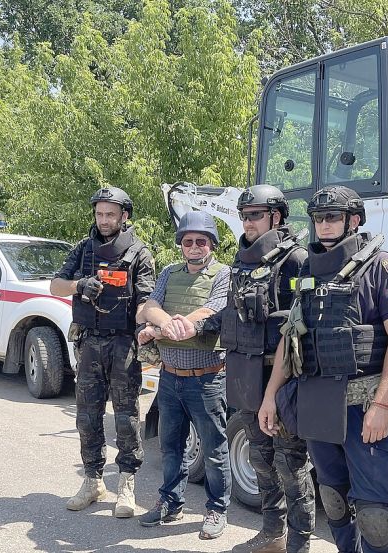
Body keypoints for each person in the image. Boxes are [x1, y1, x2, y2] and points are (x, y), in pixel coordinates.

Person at [259, 186, 388, 553]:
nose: (324, 225)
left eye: (332, 217)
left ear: (354, 220)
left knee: (375, 515)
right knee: (333, 498)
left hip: (364, 408)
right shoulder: (310, 268)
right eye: (318, 218)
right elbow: (290, 338)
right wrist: (269, 397)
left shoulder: (381, 267)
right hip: (317, 403)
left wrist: (381, 405)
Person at [214, 185, 315, 553]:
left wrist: (277, 390)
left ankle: (299, 544)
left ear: (276, 217)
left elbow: (299, 330)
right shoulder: (241, 261)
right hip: (245, 375)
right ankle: (273, 533)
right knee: (260, 458)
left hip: (282, 378)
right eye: (243, 215)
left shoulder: (296, 260)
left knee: (291, 465)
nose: (247, 222)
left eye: (255, 214)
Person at [50, 186, 156, 518]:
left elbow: (146, 299)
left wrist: (149, 324)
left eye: (111, 214)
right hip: (89, 342)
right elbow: (55, 285)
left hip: (123, 344)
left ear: (125, 216)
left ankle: (126, 483)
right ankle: (93, 480)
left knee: (126, 417)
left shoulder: (140, 253)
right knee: (87, 416)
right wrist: (78, 285)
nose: (104, 219)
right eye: (99, 213)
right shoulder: (83, 250)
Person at [136, 211, 232, 540]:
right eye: (188, 241)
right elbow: (148, 305)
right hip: (170, 376)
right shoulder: (168, 272)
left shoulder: (223, 275)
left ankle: (217, 510)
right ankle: (170, 503)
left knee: (214, 449)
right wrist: (162, 323)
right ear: (180, 245)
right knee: (171, 446)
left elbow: (211, 311)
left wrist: (158, 330)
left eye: (201, 241)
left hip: (206, 378)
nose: (194, 246)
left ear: (212, 245)